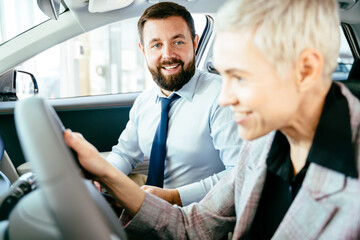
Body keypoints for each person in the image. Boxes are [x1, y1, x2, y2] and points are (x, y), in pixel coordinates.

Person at [65, 0, 360, 238]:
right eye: (224, 75)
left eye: (240, 77)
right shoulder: (262, 146)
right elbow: (191, 226)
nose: (226, 97)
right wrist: (104, 173)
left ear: (305, 70)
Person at [104, 1, 242, 206]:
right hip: (151, 210)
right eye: (157, 45)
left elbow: (239, 174)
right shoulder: (144, 102)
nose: (168, 55)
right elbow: (124, 154)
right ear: (143, 50)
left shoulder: (222, 96)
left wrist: (175, 197)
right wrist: (101, 177)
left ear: (194, 43)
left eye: (178, 42)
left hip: (199, 215)